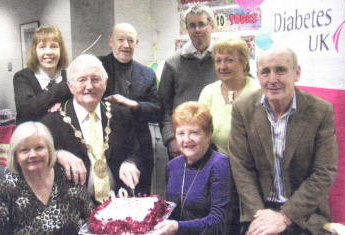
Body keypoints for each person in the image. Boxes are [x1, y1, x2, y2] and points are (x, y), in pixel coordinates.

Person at [228, 47, 338, 235]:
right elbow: (242, 169)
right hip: (259, 210)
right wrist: (261, 217)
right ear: (258, 76)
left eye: (280, 70)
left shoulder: (320, 111)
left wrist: (285, 216)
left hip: (305, 214)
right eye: (265, 72)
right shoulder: (242, 109)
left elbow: (324, 172)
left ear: (297, 73)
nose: (272, 79)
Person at [42, 54, 141, 204]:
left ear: (105, 83)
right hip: (73, 210)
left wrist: (130, 162)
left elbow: (136, 151)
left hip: (119, 204)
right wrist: (57, 154)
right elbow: (35, 161)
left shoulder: (121, 115)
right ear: (70, 86)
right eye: (82, 80)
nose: (89, 86)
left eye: (95, 79)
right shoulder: (52, 122)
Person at [153, 102, 237, 235]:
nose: (186, 140)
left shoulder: (220, 164)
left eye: (194, 133)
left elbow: (219, 222)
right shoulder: (172, 166)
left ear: (208, 135)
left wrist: (177, 227)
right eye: (181, 133)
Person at [0, 122, 94, 234]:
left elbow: (91, 219)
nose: (32, 154)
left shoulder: (68, 175)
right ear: (16, 156)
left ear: (50, 150)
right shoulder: (7, 185)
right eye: (25, 150)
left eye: (39, 148)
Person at [100, 22, 161, 194]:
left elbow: (157, 110)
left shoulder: (147, 74)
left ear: (137, 43)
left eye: (130, 41)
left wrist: (134, 104)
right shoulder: (97, 67)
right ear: (110, 41)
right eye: (120, 40)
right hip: (105, 147)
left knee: (139, 198)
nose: (126, 45)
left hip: (139, 148)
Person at [159, 4, 217, 159]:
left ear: (212, 26)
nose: (197, 30)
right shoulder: (173, 63)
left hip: (217, 143)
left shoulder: (223, 60)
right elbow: (163, 106)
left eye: (201, 24)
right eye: (192, 26)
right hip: (183, 144)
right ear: (186, 30)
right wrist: (171, 138)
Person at [199, 36, 259, 156]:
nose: (222, 67)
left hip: (251, 165)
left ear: (244, 62)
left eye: (229, 60)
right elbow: (199, 131)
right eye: (218, 61)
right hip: (217, 163)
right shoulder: (208, 92)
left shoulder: (258, 92)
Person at [13, 25, 71, 125]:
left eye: (54, 46)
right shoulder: (22, 77)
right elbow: (27, 110)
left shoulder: (69, 76)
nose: (48, 52)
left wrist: (62, 105)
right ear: (35, 51)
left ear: (60, 50)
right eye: (42, 47)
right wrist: (59, 90)